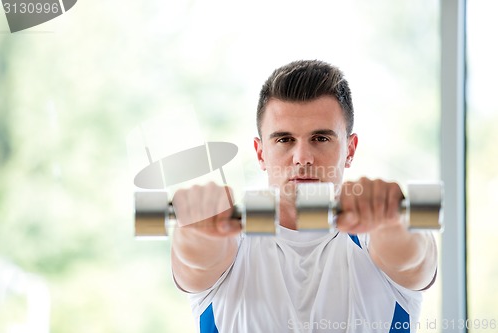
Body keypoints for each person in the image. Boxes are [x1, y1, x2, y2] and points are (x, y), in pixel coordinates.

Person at [171, 60, 438, 332]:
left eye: (320, 138)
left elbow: (414, 257)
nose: (302, 158)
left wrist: (391, 219)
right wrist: (196, 229)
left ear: (350, 149)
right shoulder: (230, 242)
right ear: (261, 152)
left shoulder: (379, 236)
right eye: (284, 140)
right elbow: (196, 257)